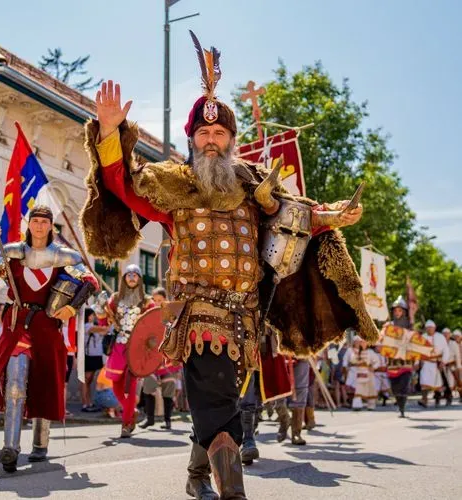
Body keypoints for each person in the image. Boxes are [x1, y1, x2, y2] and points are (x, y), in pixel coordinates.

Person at [80, 33, 377, 499]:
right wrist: (110, 134)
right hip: (197, 315)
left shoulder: (254, 187)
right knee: (219, 402)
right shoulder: (172, 187)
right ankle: (233, 493)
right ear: (192, 139)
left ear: (231, 140)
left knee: (224, 404)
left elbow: (292, 217)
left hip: (245, 318)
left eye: (220, 133)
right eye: (204, 133)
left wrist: (331, 215)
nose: (212, 140)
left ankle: (197, 473)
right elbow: (122, 185)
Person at [0, 205, 98, 472]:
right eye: (35, 221)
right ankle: (10, 448)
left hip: (46, 326)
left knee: (44, 382)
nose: (39, 226)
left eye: (44, 221)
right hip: (17, 323)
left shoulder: (62, 256)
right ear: (28, 225)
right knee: (15, 383)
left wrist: (72, 306)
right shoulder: (12, 252)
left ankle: (40, 444)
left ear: (50, 226)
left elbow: (91, 281)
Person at [104, 264, 154, 438]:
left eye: (135, 274)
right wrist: (102, 308)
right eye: (129, 274)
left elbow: (154, 324)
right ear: (124, 277)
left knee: (131, 386)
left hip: (137, 347)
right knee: (116, 384)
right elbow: (103, 320)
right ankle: (131, 410)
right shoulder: (115, 298)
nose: (132, 277)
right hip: (118, 344)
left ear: (140, 279)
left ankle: (126, 424)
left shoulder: (148, 301)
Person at [82, 308, 109, 412]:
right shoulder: (87, 326)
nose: (94, 316)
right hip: (89, 356)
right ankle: (85, 403)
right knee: (86, 380)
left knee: (90, 380)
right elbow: (104, 329)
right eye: (92, 315)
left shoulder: (93, 325)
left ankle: (89, 402)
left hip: (96, 355)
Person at [419, 320, 450, 408]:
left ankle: (441, 397)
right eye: (427, 328)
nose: (429, 329)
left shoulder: (440, 337)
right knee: (424, 381)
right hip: (426, 363)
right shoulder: (422, 337)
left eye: (431, 328)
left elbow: (446, 350)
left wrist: (444, 361)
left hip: (438, 362)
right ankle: (424, 399)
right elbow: (418, 351)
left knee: (439, 382)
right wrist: (418, 362)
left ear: (434, 328)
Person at [441, 327, 461, 405]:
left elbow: (457, 355)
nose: (446, 335)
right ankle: (448, 396)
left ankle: (460, 395)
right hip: (442, 365)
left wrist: (458, 366)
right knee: (444, 382)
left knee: (455, 381)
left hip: (452, 365)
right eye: (444, 334)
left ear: (450, 335)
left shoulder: (453, 343)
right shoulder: (440, 343)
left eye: (447, 334)